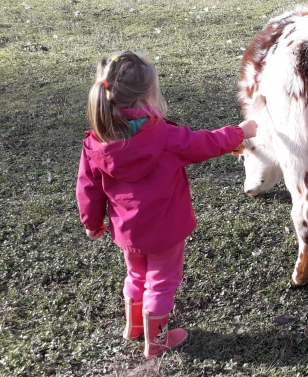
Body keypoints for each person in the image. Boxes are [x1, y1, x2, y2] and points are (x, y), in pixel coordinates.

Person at [76, 52, 257, 359]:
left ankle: (133, 328)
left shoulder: (96, 142)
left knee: (136, 276)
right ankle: (156, 342)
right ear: (148, 94)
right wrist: (240, 132)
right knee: (161, 283)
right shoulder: (163, 136)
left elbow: (87, 188)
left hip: (127, 232)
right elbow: (205, 143)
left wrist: (93, 223)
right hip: (165, 231)